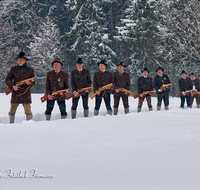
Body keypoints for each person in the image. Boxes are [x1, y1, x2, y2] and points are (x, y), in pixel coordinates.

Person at [5, 52, 35, 124]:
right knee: (12, 111)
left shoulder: (30, 70)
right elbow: (7, 79)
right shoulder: (13, 69)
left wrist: (29, 83)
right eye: (18, 60)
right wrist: (12, 86)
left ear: (25, 61)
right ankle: (11, 124)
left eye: (21, 60)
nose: (19, 61)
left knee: (28, 111)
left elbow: (34, 81)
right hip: (16, 93)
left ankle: (29, 125)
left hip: (26, 93)